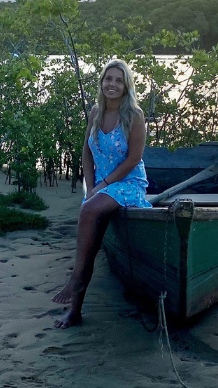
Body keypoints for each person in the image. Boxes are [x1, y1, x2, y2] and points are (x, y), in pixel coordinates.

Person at [52, 58, 151, 328]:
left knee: (88, 210)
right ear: (102, 82)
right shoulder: (96, 112)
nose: (113, 84)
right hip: (100, 186)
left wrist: (102, 185)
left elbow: (133, 159)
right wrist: (90, 184)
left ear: (126, 86)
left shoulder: (134, 116)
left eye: (119, 80)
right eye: (109, 79)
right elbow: (86, 150)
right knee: (91, 243)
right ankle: (75, 311)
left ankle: (75, 279)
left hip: (128, 183)